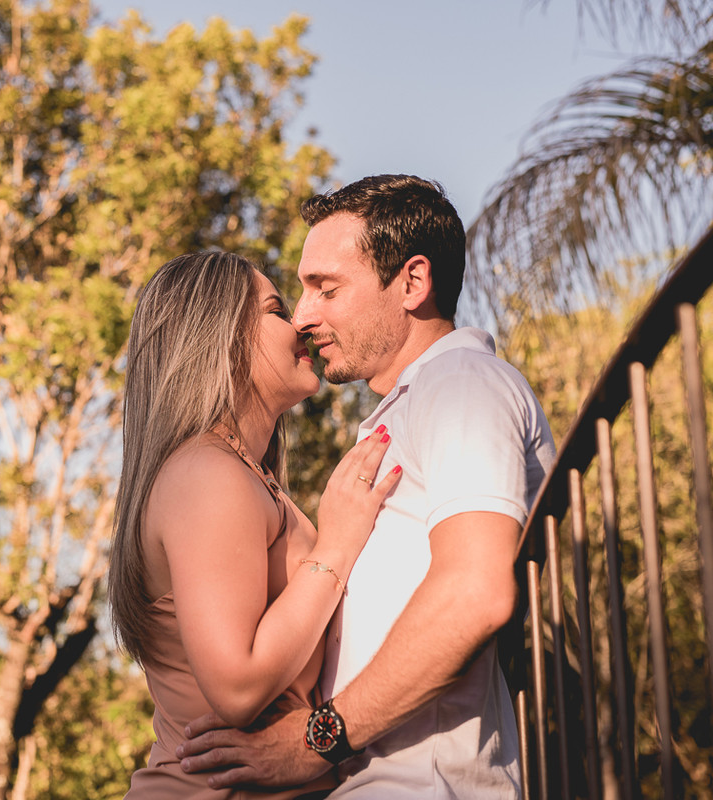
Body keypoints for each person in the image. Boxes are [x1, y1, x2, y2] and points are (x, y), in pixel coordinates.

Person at [176, 175, 557, 797]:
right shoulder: (401, 414)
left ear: (412, 282)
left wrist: (317, 740)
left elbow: (476, 592)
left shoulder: (461, 382)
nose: (303, 316)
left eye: (326, 288)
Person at [108, 251, 403, 798]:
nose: (299, 324)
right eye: (275, 308)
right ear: (221, 338)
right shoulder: (205, 474)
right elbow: (238, 685)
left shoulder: (242, 475)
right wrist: (337, 545)